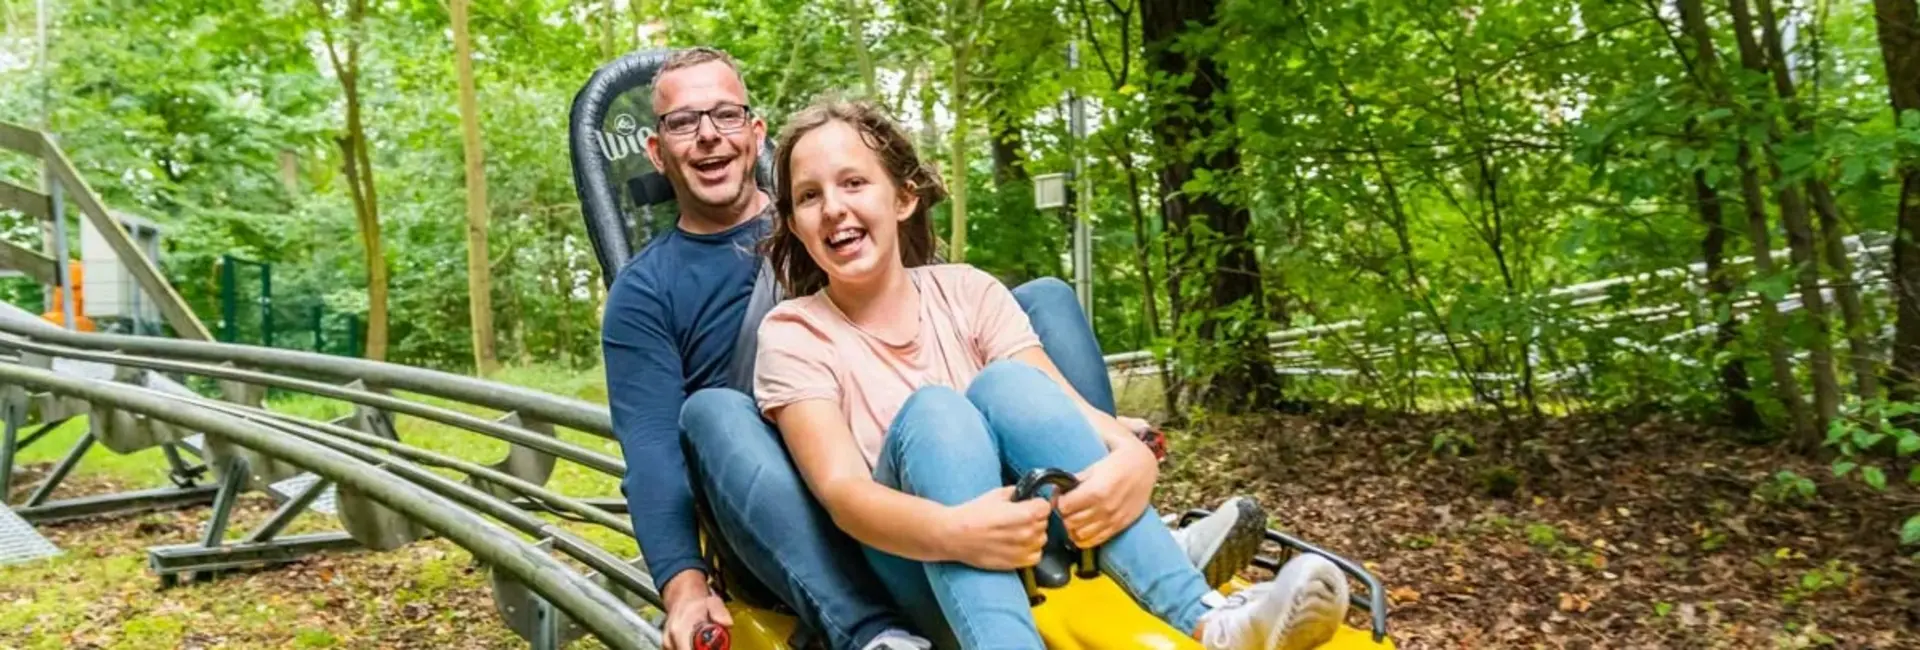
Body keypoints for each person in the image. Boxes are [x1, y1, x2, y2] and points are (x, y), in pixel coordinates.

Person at [600, 48, 1266, 650]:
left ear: (755, 132)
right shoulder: (664, 294)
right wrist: (685, 586)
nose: (710, 133)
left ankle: (1119, 522)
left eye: (724, 114)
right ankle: (870, 631)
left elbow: (949, 332)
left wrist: (1126, 455)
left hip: (950, 453)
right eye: (686, 123)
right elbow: (657, 460)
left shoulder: (864, 227)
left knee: (1038, 306)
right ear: (658, 152)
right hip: (812, 494)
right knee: (719, 410)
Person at [752, 97, 1352, 650]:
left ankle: (1208, 619)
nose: (833, 207)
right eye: (809, 196)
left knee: (1006, 384)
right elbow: (845, 497)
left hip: (1035, 542)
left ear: (903, 198)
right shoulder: (794, 332)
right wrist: (956, 530)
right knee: (939, 410)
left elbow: (1066, 407)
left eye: (854, 182)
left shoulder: (969, 290)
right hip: (917, 565)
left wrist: (1133, 458)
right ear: (797, 224)